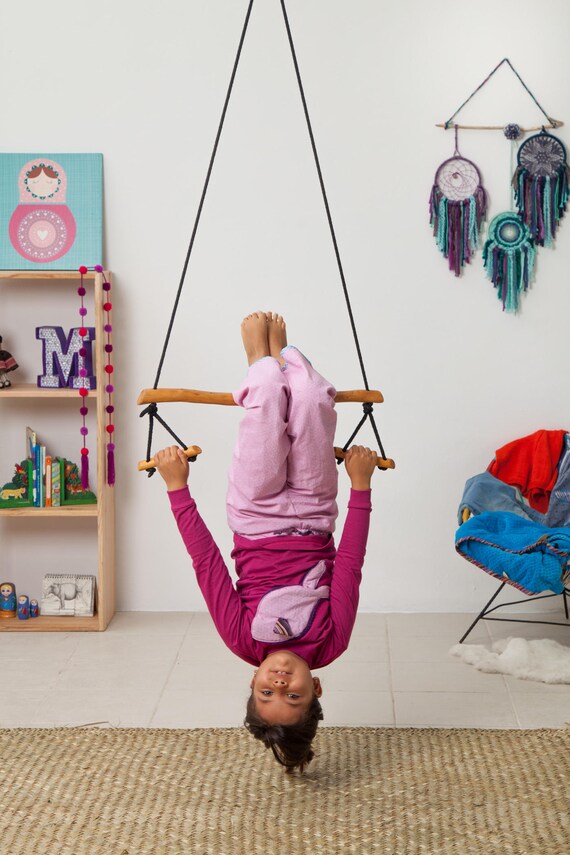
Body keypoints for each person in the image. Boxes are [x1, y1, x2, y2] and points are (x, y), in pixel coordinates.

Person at [154, 311, 379, 772]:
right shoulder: (330, 643)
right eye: (291, 694)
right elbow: (351, 565)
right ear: (316, 688)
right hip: (316, 514)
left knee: (267, 397)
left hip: (254, 515)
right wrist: (360, 488)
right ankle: (281, 356)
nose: (279, 680)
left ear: (252, 681)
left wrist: (178, 490)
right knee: (315, 397)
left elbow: (208, 566)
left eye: (266, 691)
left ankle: (262, 359)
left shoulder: (242, 638)